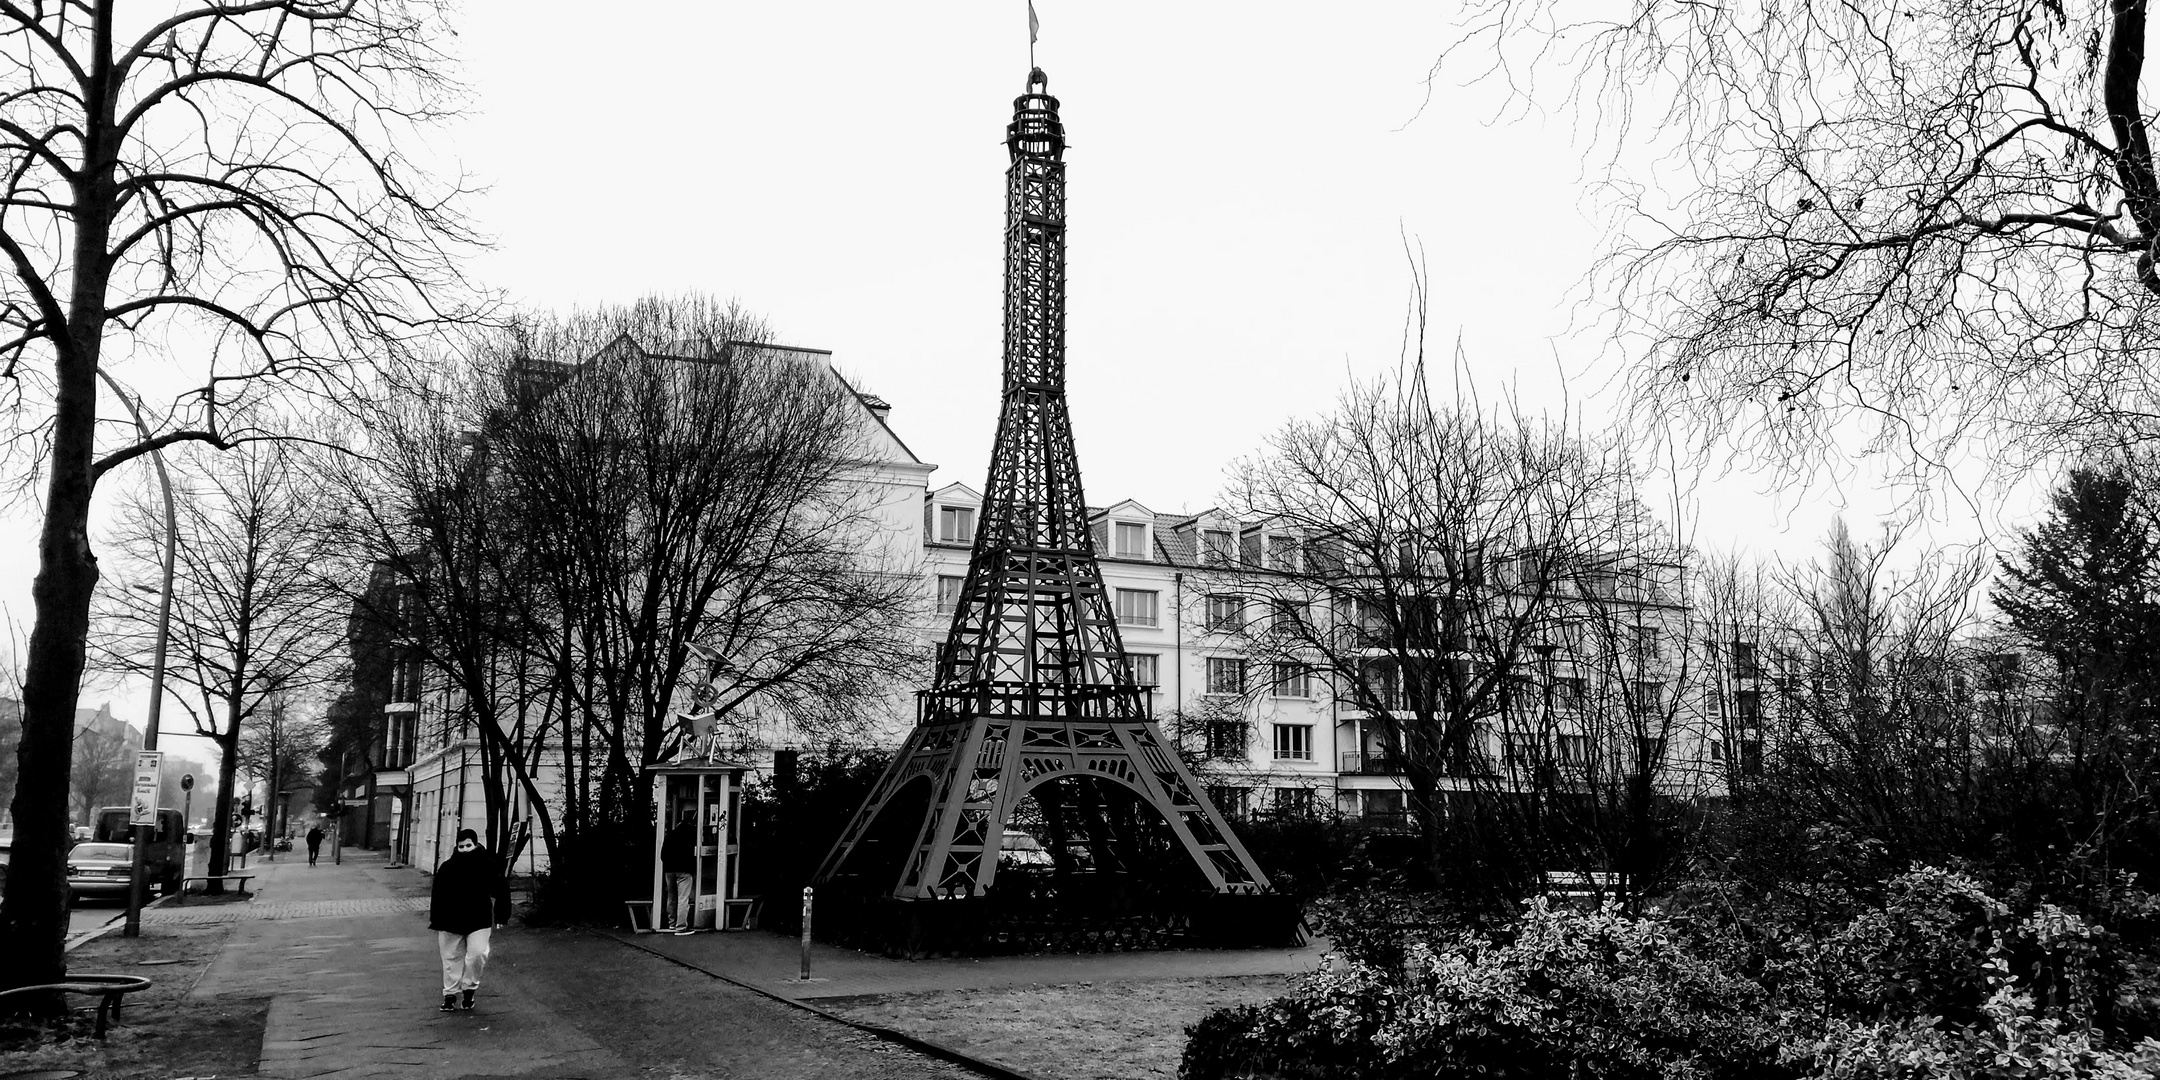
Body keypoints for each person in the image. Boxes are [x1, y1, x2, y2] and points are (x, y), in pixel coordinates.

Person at [429, 828, 511, 1012]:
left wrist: (502, 915)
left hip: (478, 918)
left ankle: (469, 989)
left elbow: (501, 888)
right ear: (456, 847)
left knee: (478, 954)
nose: (465, 849)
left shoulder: (486, 865)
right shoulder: (447, 868)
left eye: (468, 845)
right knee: (451, 958)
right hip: (450, 920)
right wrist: (436, 918)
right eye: (461, 846)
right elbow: (438, 894)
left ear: (475, 844)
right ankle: (450, 995)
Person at [660, 807, 696, 935]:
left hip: (669, 870)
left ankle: (671, 923)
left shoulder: (670, 835)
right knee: (683, 898)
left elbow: (662, 855)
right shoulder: (690, 836)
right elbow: (692, 854)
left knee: (671, 897)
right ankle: (681, 927)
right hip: (684, 870)